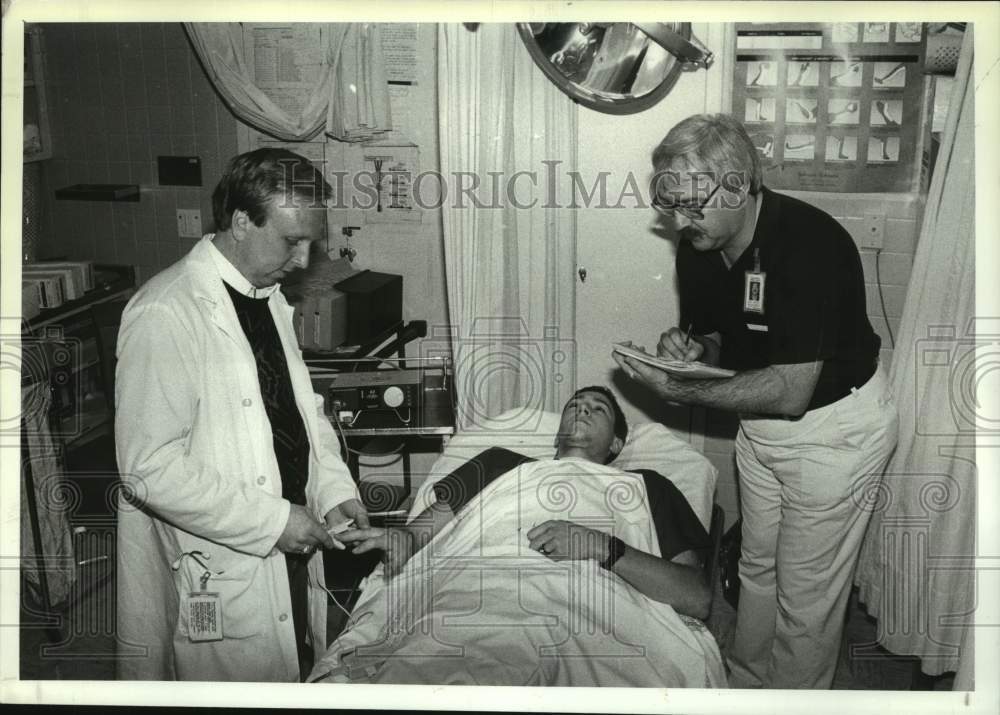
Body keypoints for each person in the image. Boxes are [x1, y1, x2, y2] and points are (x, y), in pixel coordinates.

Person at [613, 113, 899, 689]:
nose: (679, 221)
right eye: (670, 205)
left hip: (833, 431)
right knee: (755, 568)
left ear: (739, 186)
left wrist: (682, 387)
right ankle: (744, 682)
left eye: (692, 204)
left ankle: (795, 698)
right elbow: (726, 340)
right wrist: (693, 348)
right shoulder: (698, 246)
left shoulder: (809, 244)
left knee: (806, 593)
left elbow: (792, 391)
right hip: (762, 424)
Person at [115, 148, 369, 682]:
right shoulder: (165, 312)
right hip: (228, 554)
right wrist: (274, 520)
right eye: (290, 240)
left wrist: (334, 489)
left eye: (310, 242)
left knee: (297, 660)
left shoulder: (264, 298)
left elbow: (299, 413)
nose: (303, 260)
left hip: (291, 539)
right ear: (239, 222)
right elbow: (147, 468)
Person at [339, 386, 712, 621]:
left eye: (597, 409)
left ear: (616, 444)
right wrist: (404, 540)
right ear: (556, 435)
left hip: (598, 607)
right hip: (481, 593)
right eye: (574, 405)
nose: (582, 410)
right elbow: (418, 533)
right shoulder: (500, 462)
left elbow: (695, 596)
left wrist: (601, 547)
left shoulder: (647, 486)